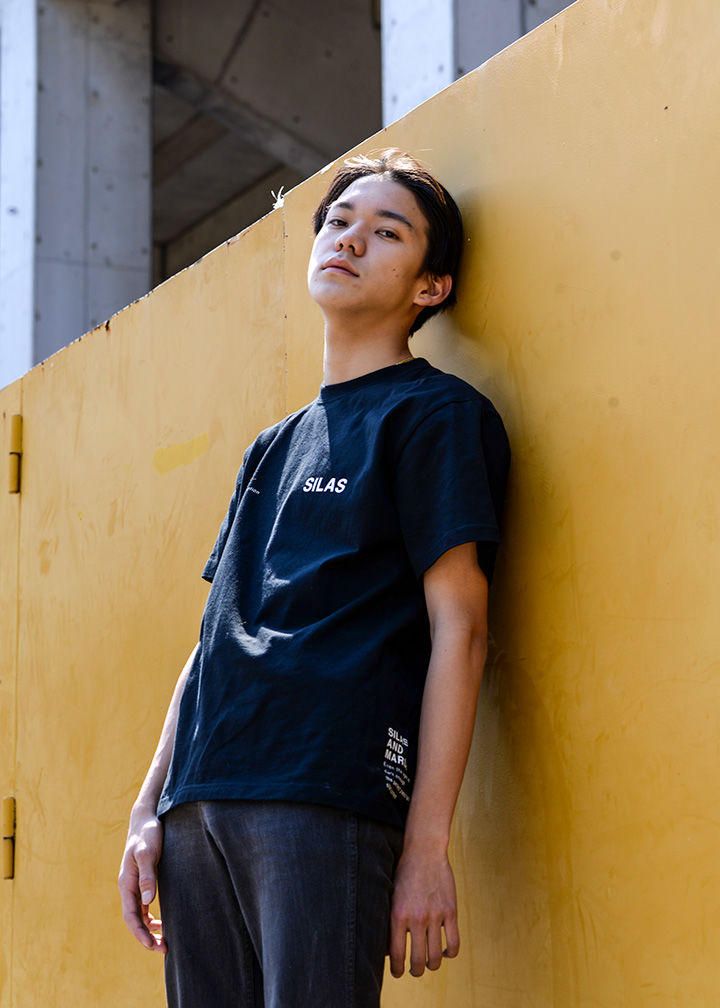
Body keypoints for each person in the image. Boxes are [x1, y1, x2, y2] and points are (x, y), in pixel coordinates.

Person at [118, 149, 510, 1008]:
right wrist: (150, 806)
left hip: (325, 787)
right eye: (338, 221)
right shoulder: (272, 446)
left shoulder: (437, 415)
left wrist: (425, 847)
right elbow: (213, 637)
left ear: (432, 287)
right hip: (201, 800)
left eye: (387, 232)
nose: (350, 239)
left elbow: (463, 628)